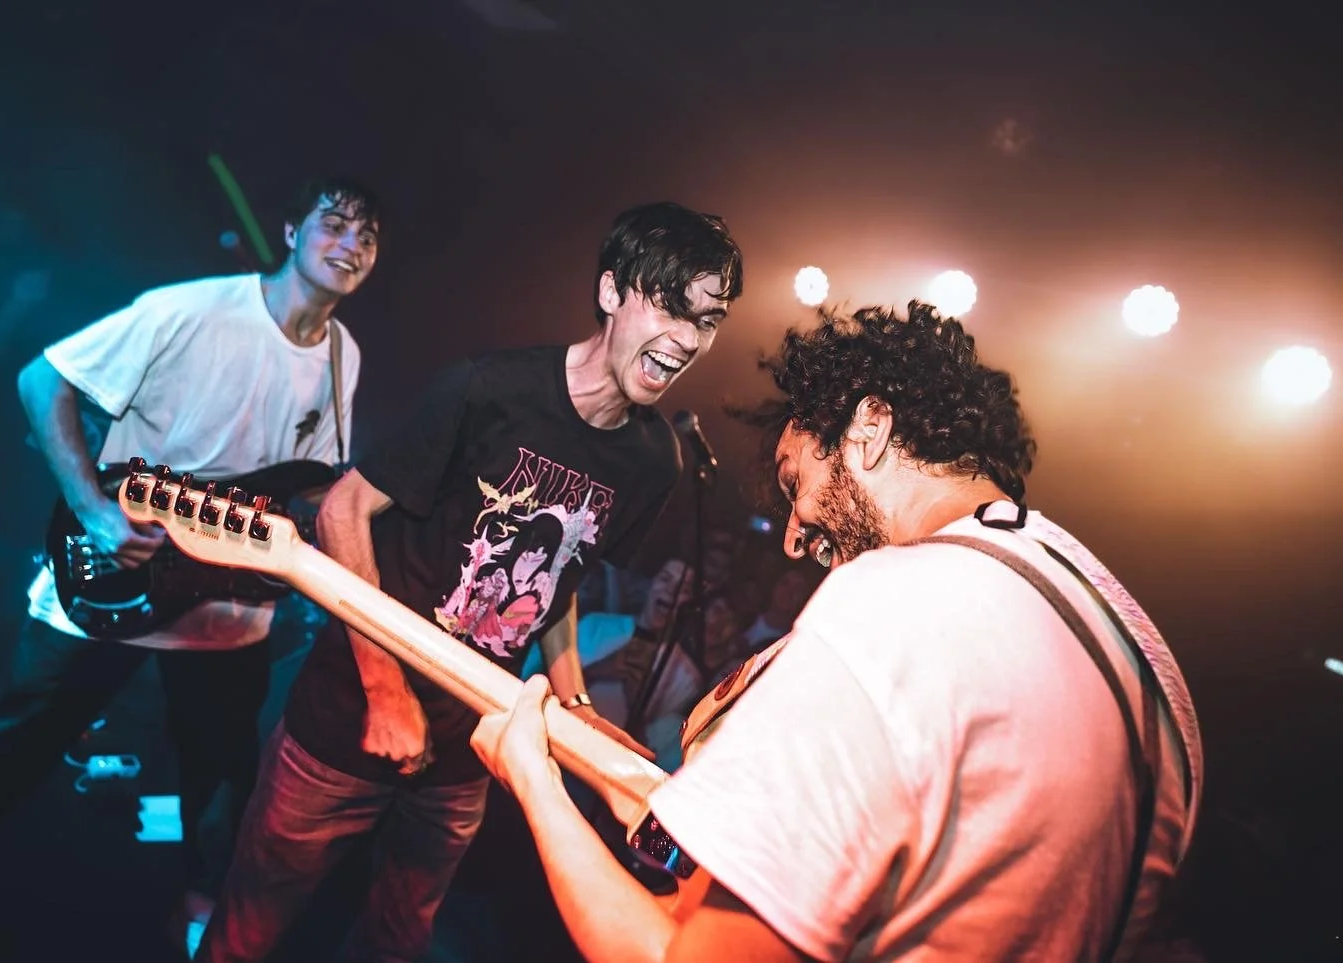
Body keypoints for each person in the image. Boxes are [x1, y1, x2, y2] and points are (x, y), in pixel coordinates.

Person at [472, 301, 1204, 962]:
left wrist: (534, 779)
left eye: (795, 483)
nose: (794, 537)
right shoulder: (1143, 659)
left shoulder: (890, 603)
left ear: (869, 429)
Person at [197, 200, 745, 962]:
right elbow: (342, 513)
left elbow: (561, 579)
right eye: (671, 307)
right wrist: (384, 690)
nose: (687, 339)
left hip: (465, 758)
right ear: (612, 290)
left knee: (397, 941)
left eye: (707, 321)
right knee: (249, 928)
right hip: (344, 721)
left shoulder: (656, 461)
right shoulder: (487, 388)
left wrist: (576, 703)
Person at [0, 175, 381, 947]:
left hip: (226, 611)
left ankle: (202, 933)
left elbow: (312, 479)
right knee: (1, 749)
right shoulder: (190, 310)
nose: (352, 244)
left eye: (367, 236)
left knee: (222, 790)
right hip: (119, 579)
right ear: (292, 232)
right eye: (336, 224)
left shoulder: (342, 355)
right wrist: (94, 511)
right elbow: (42, 380)